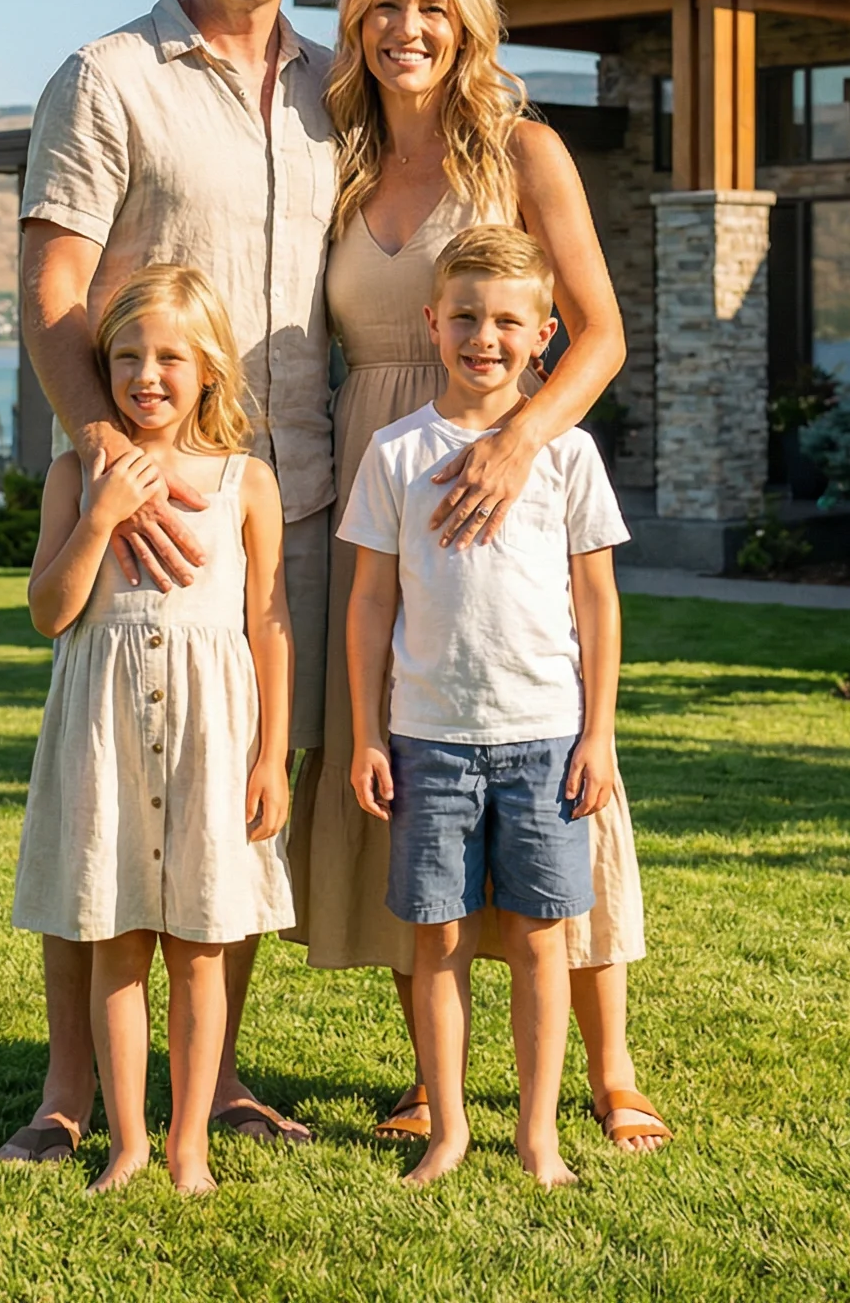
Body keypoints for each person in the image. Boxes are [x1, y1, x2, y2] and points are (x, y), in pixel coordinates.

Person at [287, 0, 672, 1156]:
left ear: (465, 27)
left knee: (549, 763)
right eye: (384, 6)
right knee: (413, 756)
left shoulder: (523, 149)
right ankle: (431, 1077)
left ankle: (607, 1068)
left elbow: (599, 331)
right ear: (355, 23)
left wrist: (516, 444)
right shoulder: (338, 163)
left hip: (501, 458)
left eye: (431, 9)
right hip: (380, 469)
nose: (406, 28)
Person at [0, 0, 333, 1163]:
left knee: (223, 820)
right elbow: (53, 290)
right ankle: (68, 1092)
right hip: (131, 508)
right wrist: (104, 459)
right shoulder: (109, 76)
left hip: (278, 498)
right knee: (101, 812)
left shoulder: (333, 90)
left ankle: (219, 1080)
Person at [344, 227, 627, 1185]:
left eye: (508, 321)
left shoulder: (569, 456)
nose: (484, 337)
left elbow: (597, 600)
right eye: (464, 316)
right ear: (432, 322)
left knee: (544, 939)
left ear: (545, 332)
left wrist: (600, 733)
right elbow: (370, 601)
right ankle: (450, 1127)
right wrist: (363, 735)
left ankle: (537, 1133)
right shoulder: (394, 453)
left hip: (547, 739)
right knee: (439, 939)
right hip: (428, 740)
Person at [13, 265, 294, 1193]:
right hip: (107, 744)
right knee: (119, 943)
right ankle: (128, 1143)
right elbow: (50, 611)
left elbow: (269, 625)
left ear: (208, 368)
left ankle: (189, 1146)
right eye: (126, 355)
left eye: (171, 356)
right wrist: (99, 516)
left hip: (215, 745)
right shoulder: (74, 475)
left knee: (203, 950)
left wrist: (273, 757)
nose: (147, 375)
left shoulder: (245, 484)